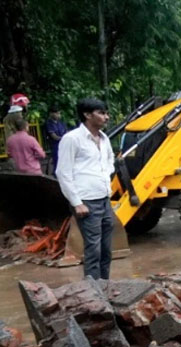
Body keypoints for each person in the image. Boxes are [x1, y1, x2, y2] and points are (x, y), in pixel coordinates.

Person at [55, 97, 115, 280]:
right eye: (101, 113)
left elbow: (110, 159)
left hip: (104, 199)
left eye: (106, 113)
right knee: (93, 250)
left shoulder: (104, 139)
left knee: (106, 250)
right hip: (86, 202)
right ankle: (93, 290)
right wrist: (77, 202)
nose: (106, 117)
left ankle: (104, 285)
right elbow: (62, 172)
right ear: (87, 115)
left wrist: (105, 176)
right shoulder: (72, 139)